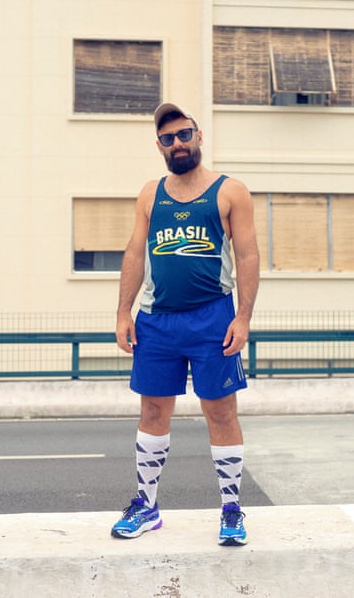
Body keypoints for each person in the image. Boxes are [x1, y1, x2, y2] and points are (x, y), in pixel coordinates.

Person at [112, 102, 260, 546]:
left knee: (220, 411)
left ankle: (231, 510)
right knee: (153, 411)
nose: (176, 143)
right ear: (158, 146)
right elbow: (135, 254)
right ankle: (146, 506)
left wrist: (243, 317)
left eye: (183, 134)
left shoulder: (230, 191)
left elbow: (248, 256)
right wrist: (123, 311)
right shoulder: (148, 193)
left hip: (213, 318)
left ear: (199, 136)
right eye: (167, 138)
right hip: (156, 321)